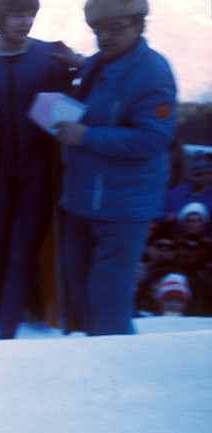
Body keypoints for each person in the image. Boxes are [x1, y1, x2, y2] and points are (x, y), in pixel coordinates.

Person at [54, 0, 176, 336]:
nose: (105, 37)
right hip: (82, 201)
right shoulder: (98, 64)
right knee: (82, 291)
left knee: (108, 298)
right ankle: (98, 366)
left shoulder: (154, 72)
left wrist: (86, 136)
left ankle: (119, 368)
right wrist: (79, 65)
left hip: (123, 209)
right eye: (98, 30)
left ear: (139, 26)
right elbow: (108, 83)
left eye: (116, 28)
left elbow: (154, 138)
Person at [0, 0, 70, 339]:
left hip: (36, 171)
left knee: (21, 250)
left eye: (31, 14)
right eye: (17, 15)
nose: (25, 22)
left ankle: (8, 330)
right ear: (1, 17)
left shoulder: (49, 59)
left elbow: (66, 109)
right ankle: (4, 321)